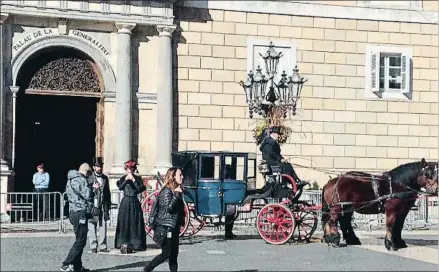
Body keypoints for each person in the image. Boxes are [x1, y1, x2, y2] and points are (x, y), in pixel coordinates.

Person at [143, 167, 186, 272]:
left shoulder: (176, 190)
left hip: (173, 228)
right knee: (166, 253)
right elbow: (169, 209)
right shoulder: (166, 191)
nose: (182, 177)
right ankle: (147, 269)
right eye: (179, 175)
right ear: (173, 177)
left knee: (173, 256)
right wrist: (176, 194)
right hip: (165, 228)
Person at [60, 163, 94, 272]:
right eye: (89, 173)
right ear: (87, 172)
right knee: (81, 241)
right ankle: (66, 263)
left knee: (79, 238)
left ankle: (77, 266)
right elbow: (87, 195)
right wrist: (93, 187)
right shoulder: (80, 180)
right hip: (80, 212)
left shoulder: (70, 179)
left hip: (73, 212)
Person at [259, 126, 304, 196]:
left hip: (274, 162)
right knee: (287, 167)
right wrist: (280, 159)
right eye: (277, 134)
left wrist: (283, 159)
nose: (278, 136)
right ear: (273, 134)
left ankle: (296, 181)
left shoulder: (273, 142)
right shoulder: (269, 143)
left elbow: (277, 154)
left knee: (288, 165)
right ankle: (293, 182)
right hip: (270, 163)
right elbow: (271, 154)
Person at [114, 160, 147, 251]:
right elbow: (120, 187)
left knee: (134, 223)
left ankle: (136, 243)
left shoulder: (138, 179)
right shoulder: (122, 178)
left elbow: (139, 189)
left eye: (131, 169)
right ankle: (122, 242)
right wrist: (126, 180)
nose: (129, 170)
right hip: (125, 202)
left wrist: (133, 180)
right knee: (124, 222)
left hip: (134, 201)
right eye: (128, 169)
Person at [87, 157, 111, 253]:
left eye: (100, 166)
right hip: (93, 205)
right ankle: (93, 245)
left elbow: (107, 192)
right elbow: (86, 191)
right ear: (94, 167)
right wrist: (92, 188)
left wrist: (108, 206)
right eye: (97, 166)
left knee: (103, 226)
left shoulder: (105, 178)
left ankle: (103, 245)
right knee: (92, 226)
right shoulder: (89, 178)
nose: (99, 168)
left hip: (102, 205)